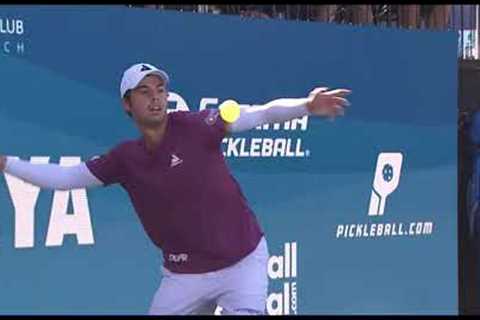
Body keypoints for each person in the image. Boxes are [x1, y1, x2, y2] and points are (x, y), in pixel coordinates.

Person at [0, 62, 351, 315]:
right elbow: (66, 178)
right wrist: (6, 164)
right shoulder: (125, 159)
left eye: (160, 90)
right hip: (184, 277)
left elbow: (258, 114)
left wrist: (305, 106)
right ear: (127, 104)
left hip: (242, 262)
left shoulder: (199, 126)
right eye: (144, 92)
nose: (156, 98)